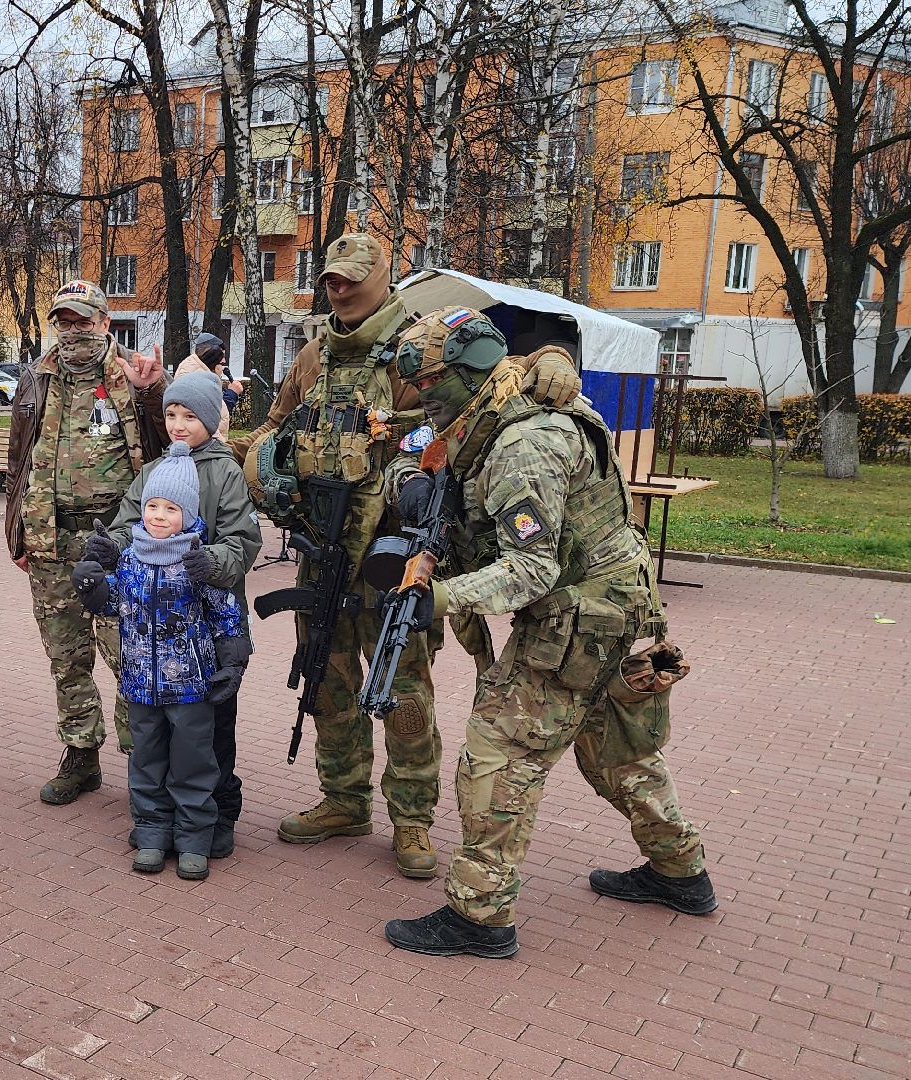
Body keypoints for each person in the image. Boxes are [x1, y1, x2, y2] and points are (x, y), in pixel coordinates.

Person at [231, 233, 584, 878]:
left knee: (403, 694)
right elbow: (276, 426)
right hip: (323, 551)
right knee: (329, 683)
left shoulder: (415, 350)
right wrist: (260, 465)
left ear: (377, 278)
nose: (337, 288)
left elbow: (457, 426)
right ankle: (343, 799)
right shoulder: (313, 354)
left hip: (394, 558)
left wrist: (410, 481)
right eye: (330, 278)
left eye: (348, 278)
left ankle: (414, 821)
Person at [377, 308, 714, 959]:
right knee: (618, 754)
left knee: (499, 752)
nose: (425, 403)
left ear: (463, 377)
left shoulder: (522, 448)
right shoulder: (512, 401)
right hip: (618, 609)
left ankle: (480, 917)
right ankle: (681, 872)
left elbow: (529, 570)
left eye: (431, 390)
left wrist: (440, 596)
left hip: (576, 622)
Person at [3, 279, 167, 804]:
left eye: (83, 321)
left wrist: (153, 393)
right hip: (52, 541)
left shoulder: (131, 375)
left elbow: (169, 451)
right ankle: (80, 754)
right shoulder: (37, 378)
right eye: (64, 322)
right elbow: (19, 460)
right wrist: (18, 531)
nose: (73, 331)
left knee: (129, 654)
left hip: (115, 544)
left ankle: (143, 760)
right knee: (66, 657)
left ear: (104, 322)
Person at [87, 368, 261, 857]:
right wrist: (108, 549)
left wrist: (214, 562)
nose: (179, 424)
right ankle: (158, 819)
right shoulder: (154, 470)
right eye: (170, 414)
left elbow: (243, 541)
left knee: (212, 726)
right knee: (158, 733)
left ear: (209, 419)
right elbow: (129, 523)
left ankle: (217, 813)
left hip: (207, 618)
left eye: (189, 416)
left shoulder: (224, 471)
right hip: (151, 630)